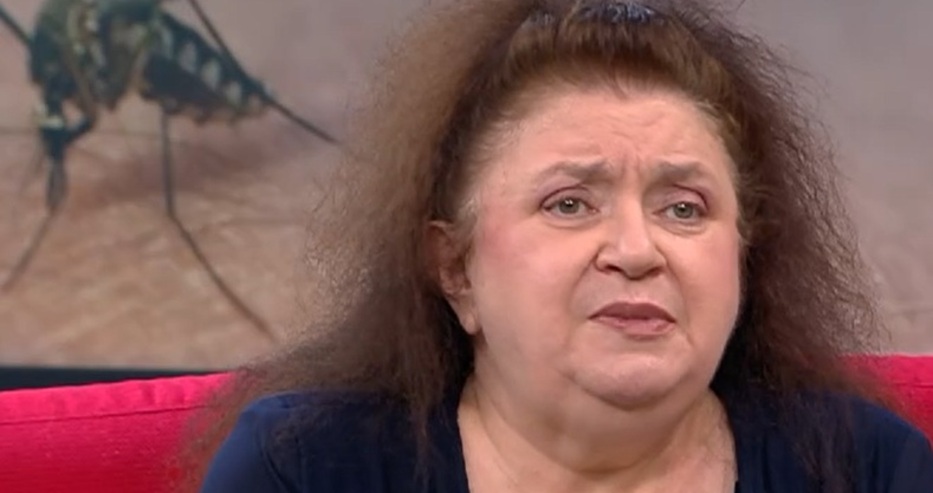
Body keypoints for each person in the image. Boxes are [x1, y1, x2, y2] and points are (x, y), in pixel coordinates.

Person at [185, 0, 933, 492]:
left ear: (743, 254)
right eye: (569, 203)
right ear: (455, 268)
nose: (636, 250)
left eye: (683, 208)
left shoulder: (867, 468)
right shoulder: (302, 468)